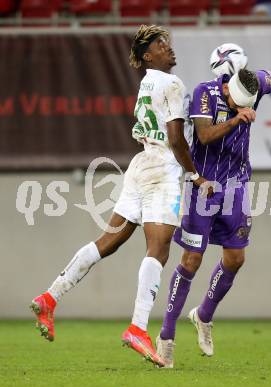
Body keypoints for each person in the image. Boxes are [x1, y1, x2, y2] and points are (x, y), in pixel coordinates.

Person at [30, 24, 209, 367]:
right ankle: (138, 328)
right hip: (162, 168)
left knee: (107, 241)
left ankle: (50, 297)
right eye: (160, 44)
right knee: (158, 249)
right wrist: (195, 175)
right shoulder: (172, 83)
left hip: (140, 165)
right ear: (147, 56)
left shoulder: (146, 84)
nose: (168, 48)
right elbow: (175, 136)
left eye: (167, 42)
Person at [155, 67, 271, 368]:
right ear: (230, 92)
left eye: (250, 104)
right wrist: (236, 119)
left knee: (236, 258)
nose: (247, 108)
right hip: (204, 187)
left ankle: (203, 316)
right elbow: (204, 135)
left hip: (236, 185)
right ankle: (166, 337)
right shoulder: (204, 93)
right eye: (240, 104)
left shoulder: (254, 84)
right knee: (191, 261)